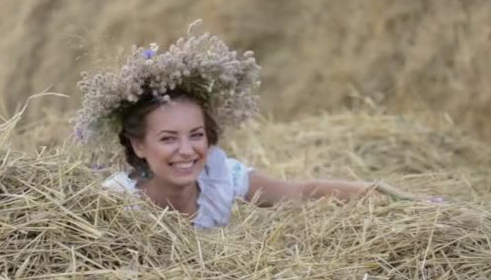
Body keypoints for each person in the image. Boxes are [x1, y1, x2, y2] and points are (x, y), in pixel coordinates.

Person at [73, 21, 423, 229]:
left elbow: (304, 193)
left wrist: (399, 201)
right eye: (168, 138)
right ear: (138, 146)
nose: (186, 150)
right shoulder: (115, 204)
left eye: (196, 135)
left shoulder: (218, 177)